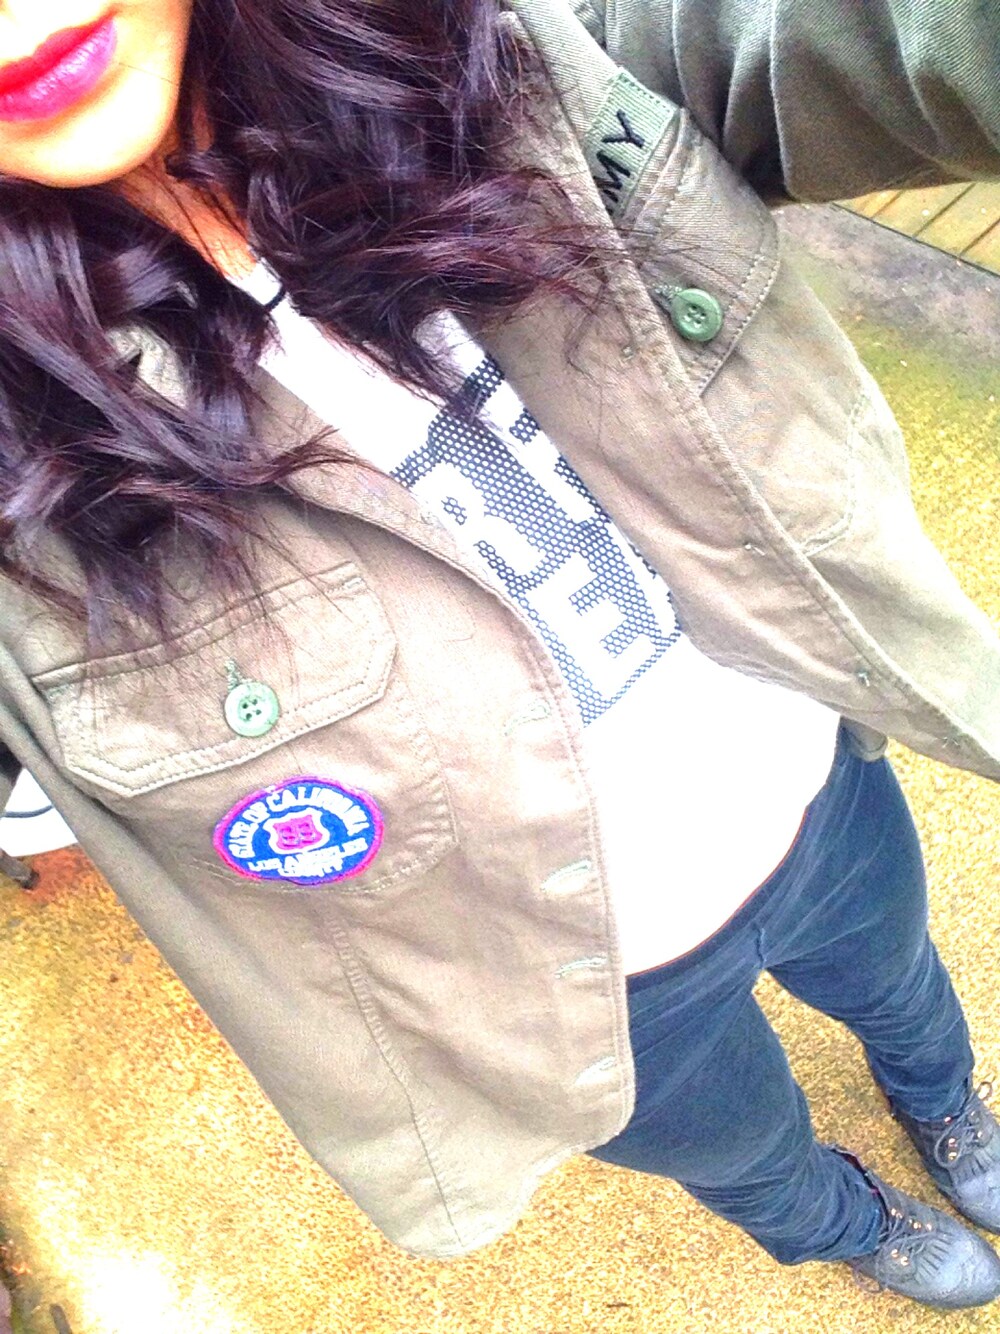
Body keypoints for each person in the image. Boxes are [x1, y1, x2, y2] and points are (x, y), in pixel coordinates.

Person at [0, 0, 999, 1313]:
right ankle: (838, 1222)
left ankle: (946, 1102)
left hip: (815, 788)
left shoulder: (500, 55)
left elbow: (890, 40)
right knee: (745, 1153)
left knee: (905, 985)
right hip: (587, 998)